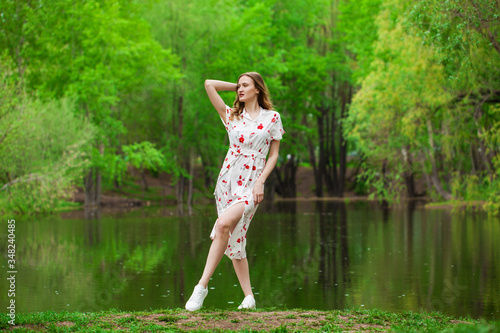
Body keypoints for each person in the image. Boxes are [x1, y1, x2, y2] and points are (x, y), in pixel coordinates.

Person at [185, 72, 285, 311]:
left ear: (258, 89)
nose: (240, 89)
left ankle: (201, 287)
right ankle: (249, 297)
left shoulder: (272, 118)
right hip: (228, 182)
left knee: (222, 226)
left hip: (252, 185)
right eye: (239, 86)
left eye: (245, 85)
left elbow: (274, 155)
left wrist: (261, 181)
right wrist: (236, 87)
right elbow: (209, 84)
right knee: (234, 239)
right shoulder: (232, 115)